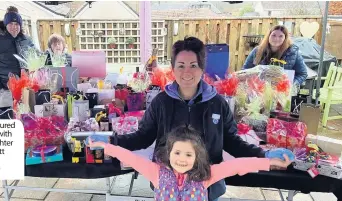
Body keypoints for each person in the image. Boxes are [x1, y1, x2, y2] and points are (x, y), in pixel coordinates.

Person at [91, 36, 293, 201]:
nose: (186, 72)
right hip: (167, 184)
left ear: (202, 68)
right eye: (180, 65)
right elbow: (142, 137)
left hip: (207, 185)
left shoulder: (218, 103)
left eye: (193, 65)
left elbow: (233, 143)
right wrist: (111, 141)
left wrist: (264, 156)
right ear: (173, 68)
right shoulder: (161, 102)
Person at [87, 126, 293, 201]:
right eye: (177, 152)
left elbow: (239, 165)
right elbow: (129, 157)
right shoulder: (156, 173)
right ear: (169, 153)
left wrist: (269, 161)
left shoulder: (205, 176)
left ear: (197, 157)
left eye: (188, 154)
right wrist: (106, 146)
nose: (181, 159)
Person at [0, 6, 36, 92]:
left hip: (26, 87)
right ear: (5, 24)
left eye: (17, 24)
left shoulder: (26, 40)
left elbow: (35, 57)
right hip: (6, 89)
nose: (14, 27)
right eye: (11, 24)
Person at [242, 25, 308, 86]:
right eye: (273, 35)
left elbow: (302, 74)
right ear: (269, 36)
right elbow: (245, 70)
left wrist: (291, 85)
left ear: (285, 38)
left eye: (280, 36)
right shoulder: (257, 51)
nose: (276, 39)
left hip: (282, 93)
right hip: (258, 92)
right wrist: (251, 82)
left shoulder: (293, 53)